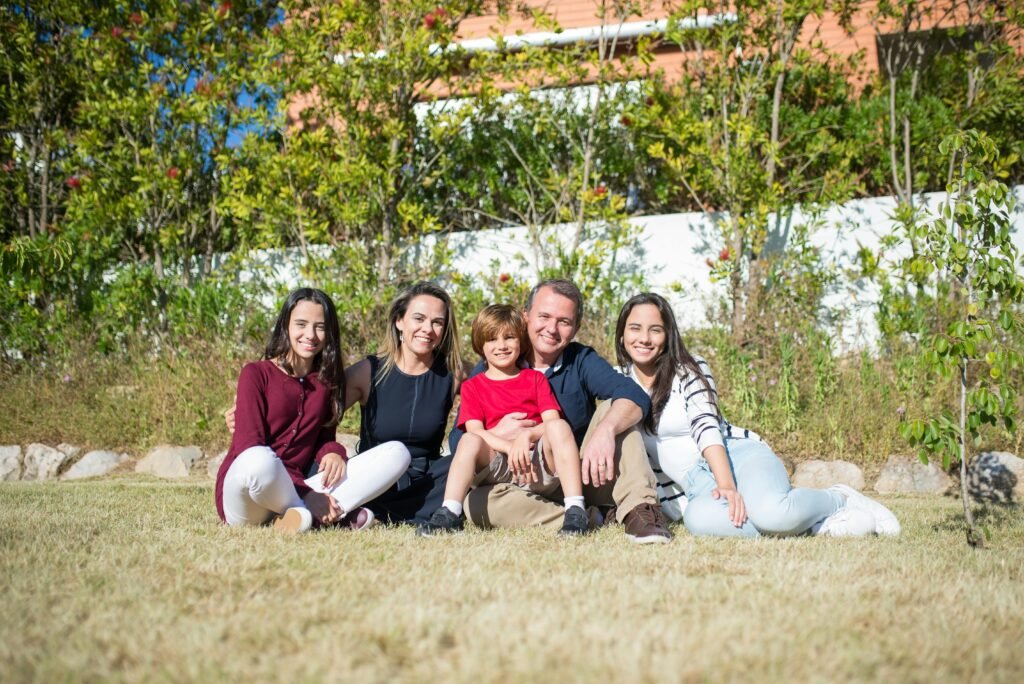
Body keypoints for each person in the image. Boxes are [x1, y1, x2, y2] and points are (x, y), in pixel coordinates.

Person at [614, 292, 901, 538]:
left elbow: (706, 427)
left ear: (667, 335)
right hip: (695, 486)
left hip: (735, 458)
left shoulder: (688, 369)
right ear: (622, 334)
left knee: (771, 513)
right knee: (697, 522)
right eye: (635, 328)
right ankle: (813, 526)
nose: (644, 338)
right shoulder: (617, 381)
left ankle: (838, 498)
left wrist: (726, 485)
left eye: (655, 329)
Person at [453, 279, 672, 544]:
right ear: (526, 316)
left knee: (616, 410)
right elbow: (460, 441)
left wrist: (605, 431)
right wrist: (497, 434)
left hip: (576, 476)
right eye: (544, 316)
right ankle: (593, 518)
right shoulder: (495, 365)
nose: (552, 329)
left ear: (575, 328)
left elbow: (634, 395)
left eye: (564, 322)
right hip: (516, 481)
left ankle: (642, 511)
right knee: (476, 504)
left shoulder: (580, 360)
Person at [225, 281, 462, 525]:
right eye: (419, 319)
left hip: (423, 479)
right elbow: (298, 422)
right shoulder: (368, 372)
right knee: (264, 460)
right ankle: (328, 509)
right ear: (399, 321)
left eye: (437, 322)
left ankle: (316, 514)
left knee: (452, 463)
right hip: (364, 480)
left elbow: (491, 386)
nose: (427, 329)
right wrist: (245, 410)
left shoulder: (453, 374)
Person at [419, 305, 589, 536]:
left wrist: (526, 436)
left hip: (535, 463)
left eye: (509, 337)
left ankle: (575, 511)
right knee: (468, 440)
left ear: (520, 341)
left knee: (559, 426)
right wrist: (509, 446)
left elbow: (551, 421)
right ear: (481, 344)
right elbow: (475, 430)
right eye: (491, 339)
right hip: (497, 465)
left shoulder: (534, 379)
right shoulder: (473, 386)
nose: (501, 346)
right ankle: (449, 513)